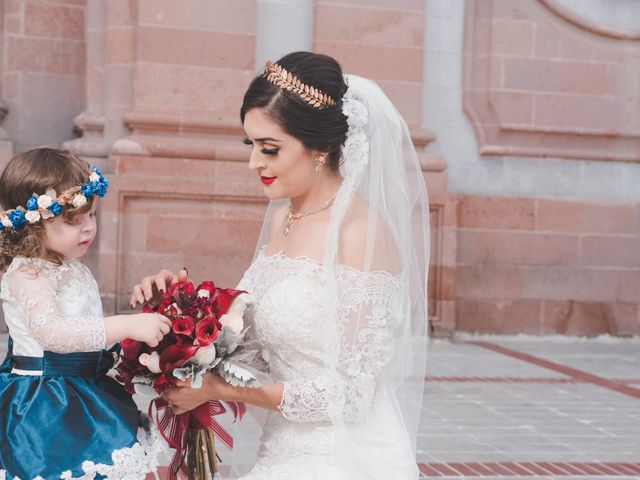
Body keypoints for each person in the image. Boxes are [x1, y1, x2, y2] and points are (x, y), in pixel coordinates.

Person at [132, 51, 430, 479]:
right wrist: (177, 313)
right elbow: (254, 340)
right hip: (283, 448)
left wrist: (223, 389)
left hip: (345, 456)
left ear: (321, 147)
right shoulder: (283, 217)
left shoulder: (361, 232)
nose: (254, 162)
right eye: (250, 145)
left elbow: (351, 395)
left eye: (269, 148)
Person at [0, 147, 171, 480]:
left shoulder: (72, 268)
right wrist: (127, 325)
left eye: (91, 215)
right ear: (33, 225)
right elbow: (54, 334)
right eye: (72, 221)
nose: (88, 228)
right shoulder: (27, 273)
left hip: (86, 390)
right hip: (44, 404)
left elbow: (89, 331)